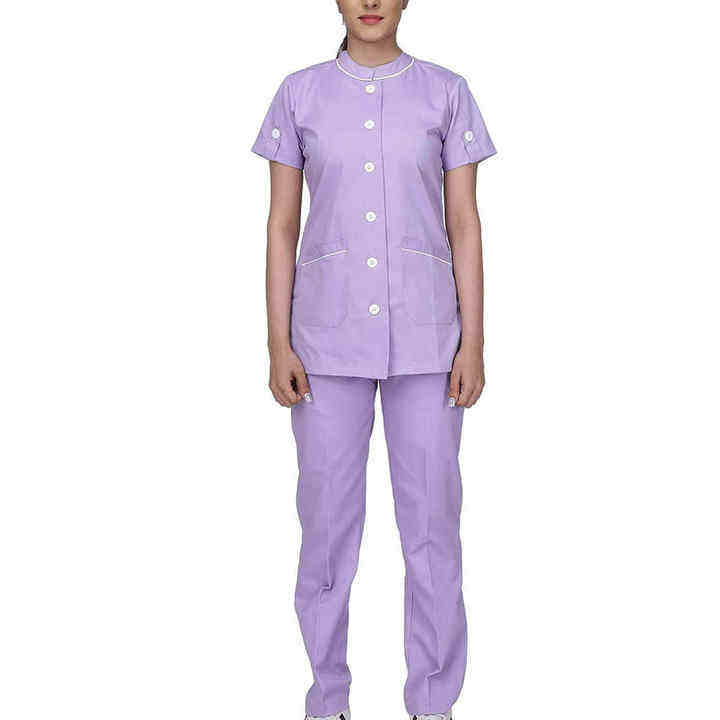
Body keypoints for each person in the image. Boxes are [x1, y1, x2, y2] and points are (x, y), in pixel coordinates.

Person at [252, 2, 496, 718]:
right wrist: (277, 340)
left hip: (429, 340)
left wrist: (474, 341)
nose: (369, 1)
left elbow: (464, 221)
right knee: (326, 531)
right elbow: (281, 224)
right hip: (323, 343)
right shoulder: (298, 94)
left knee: (433, 530)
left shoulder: (447, 93)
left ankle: (433, 703)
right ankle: (328, 699)